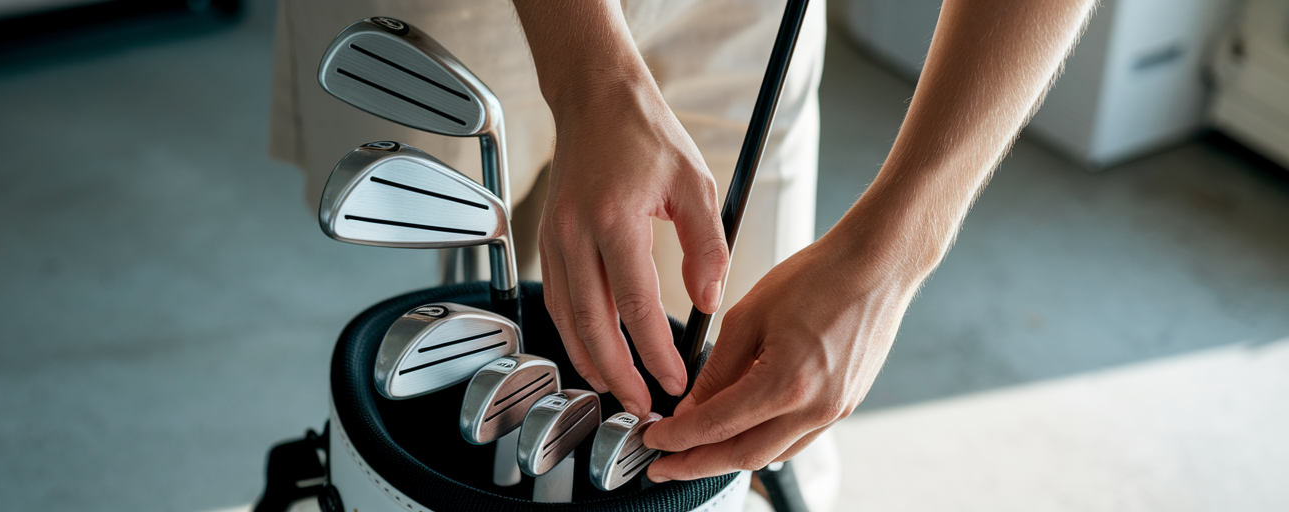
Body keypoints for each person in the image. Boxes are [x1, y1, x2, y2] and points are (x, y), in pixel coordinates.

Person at [271, 0, 1095, 506]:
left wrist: (895, 255)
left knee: (736, 423)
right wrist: (591, 76)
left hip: (751, 17)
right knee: (507, 309)